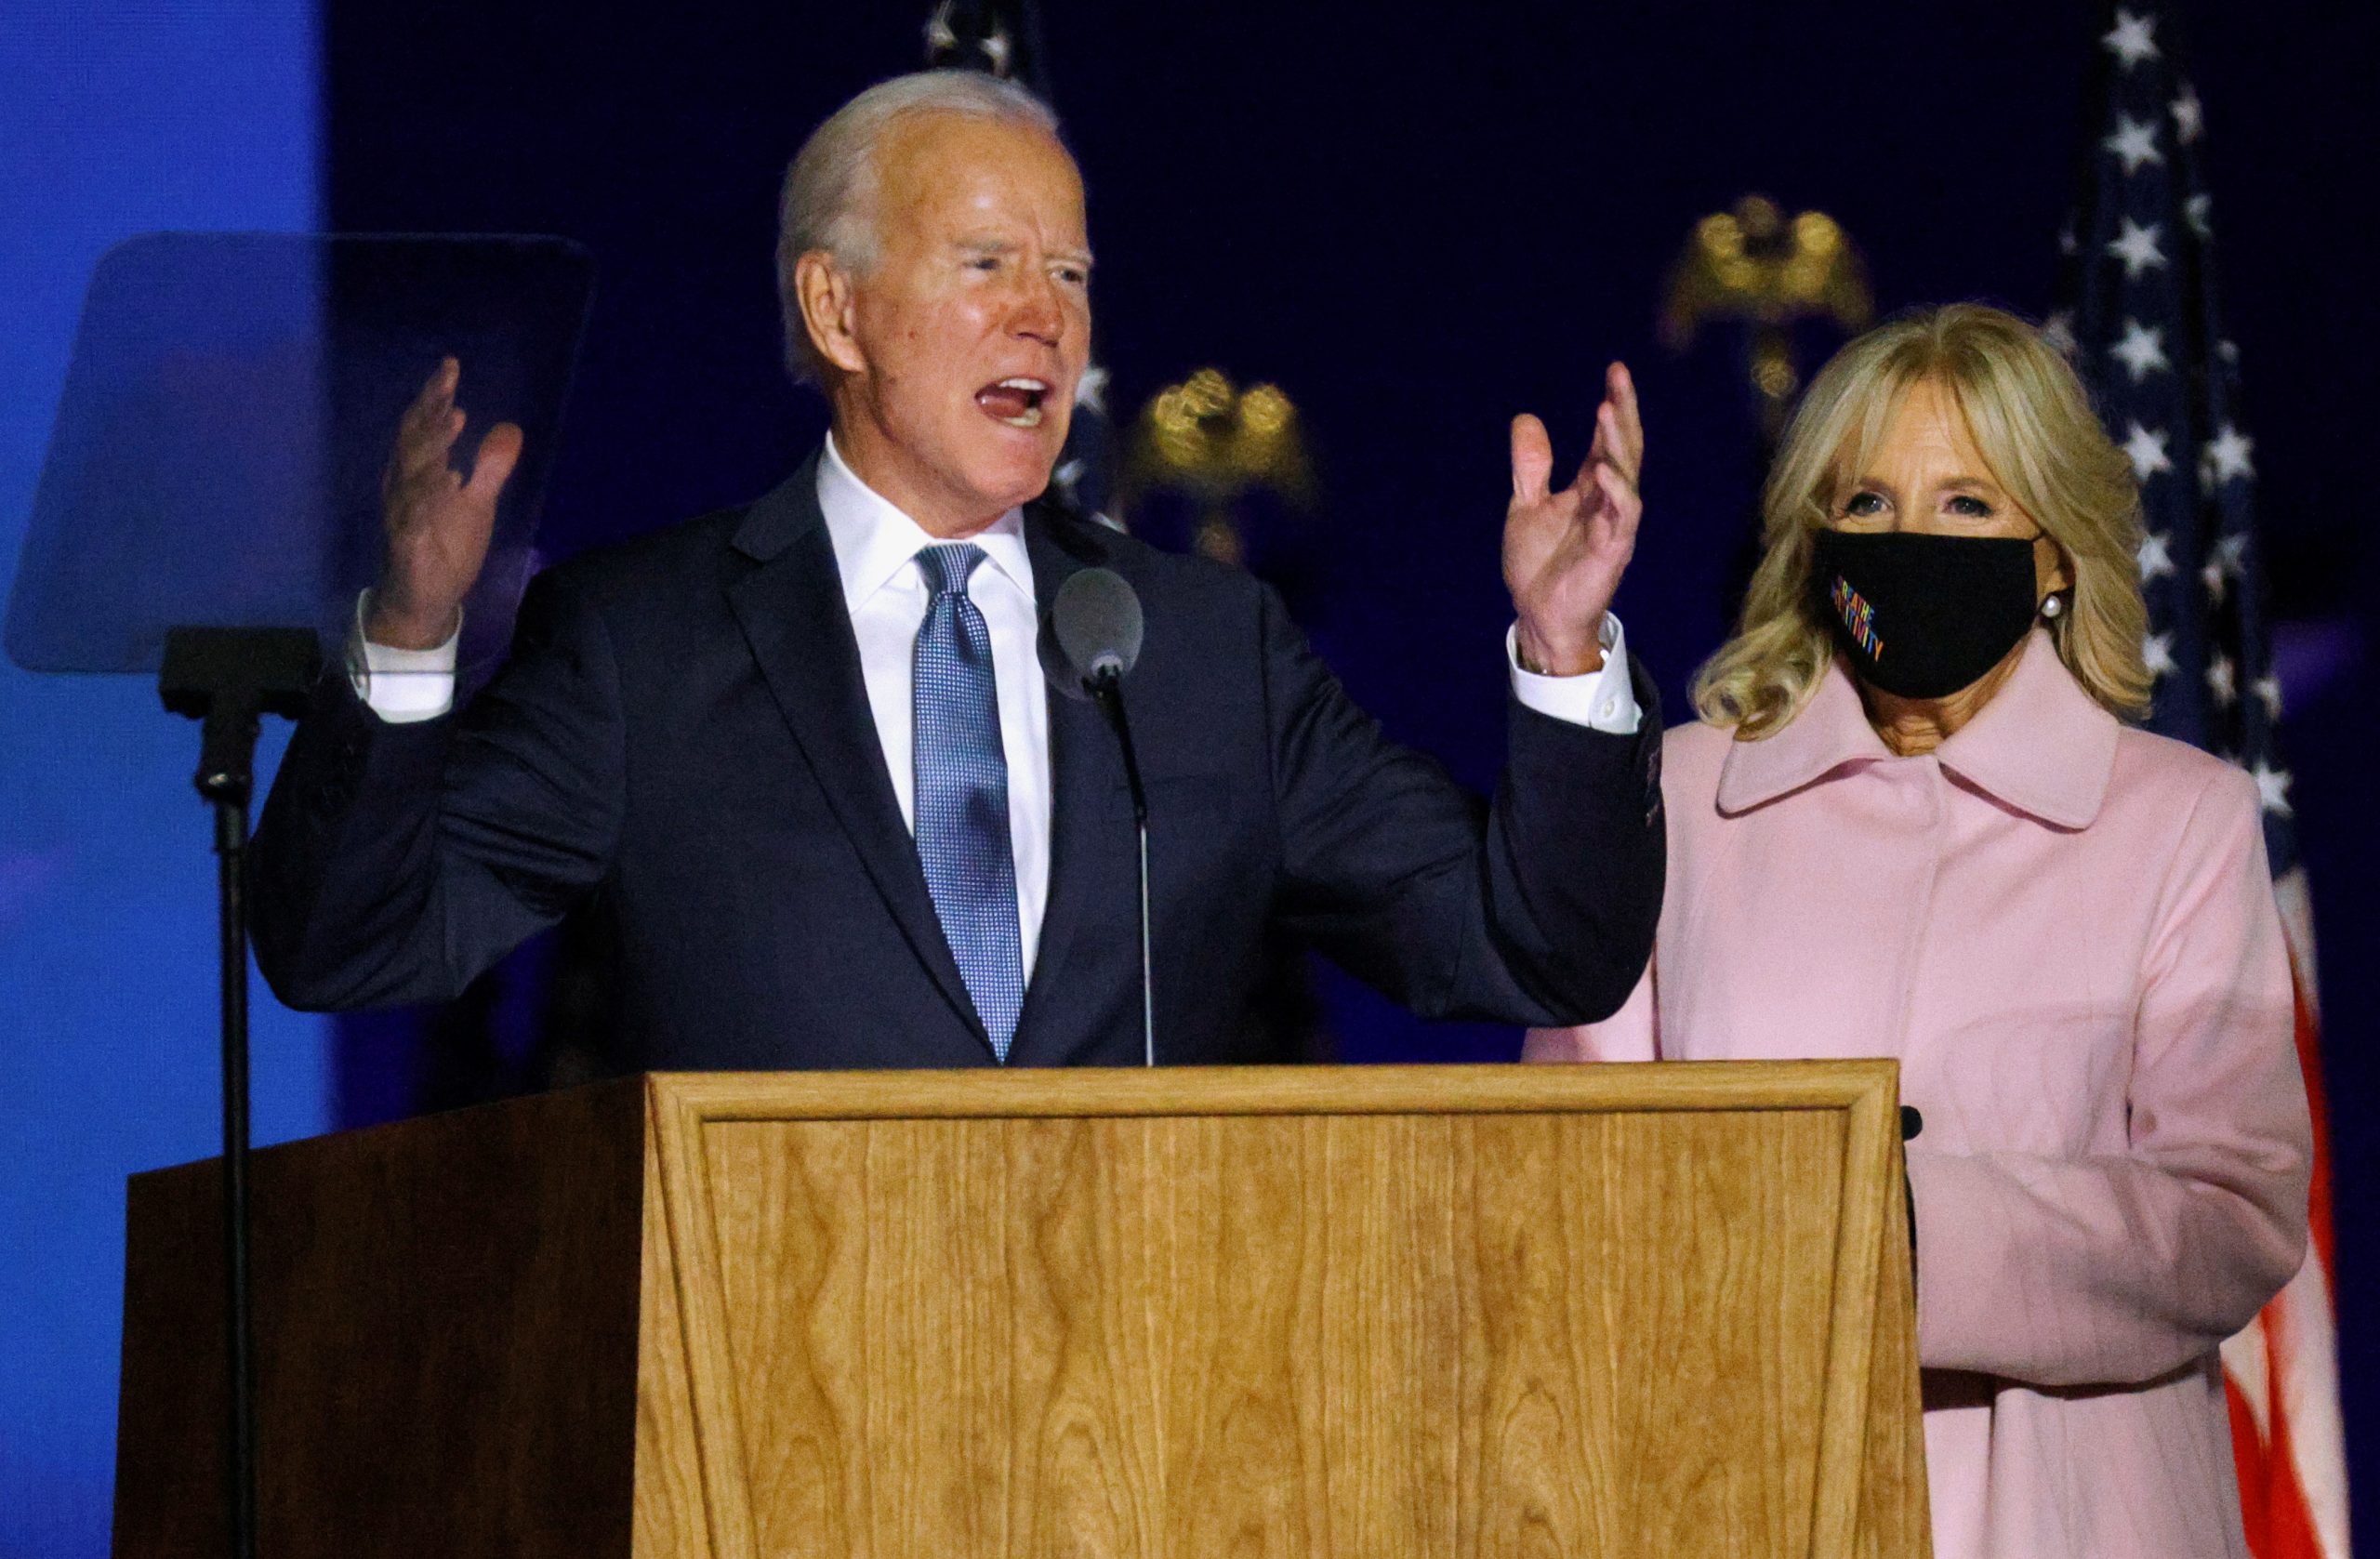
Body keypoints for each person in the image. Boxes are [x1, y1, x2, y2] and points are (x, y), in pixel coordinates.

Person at [251, 70, 1666, 1070]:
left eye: (1071, 274)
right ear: (837, 309)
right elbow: (348, 948)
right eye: (987, 263)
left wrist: (1563, 655)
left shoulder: (1203, 649)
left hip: (1146, 1378)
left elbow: (1536, 948)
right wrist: (410, 634)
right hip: (776, 1381)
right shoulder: (643, 643)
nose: (1045, 318)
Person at [1527, 303, 2311, 1559]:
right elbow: (1569, 1172)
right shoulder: (1682, 799)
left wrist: (1903, 1228)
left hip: (2069, 1518)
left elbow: (2233, 1213)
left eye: (1966, 505)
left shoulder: (2178, 821)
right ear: (1818, 538)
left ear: (2054, 554)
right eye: (1870, 502)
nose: (1911, 541)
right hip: (1743, 1491)